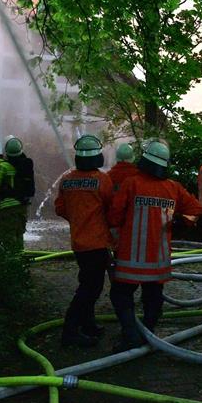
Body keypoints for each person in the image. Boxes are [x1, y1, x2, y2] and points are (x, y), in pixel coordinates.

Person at [108, 140, 202, 353]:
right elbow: (196, 209)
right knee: (153, 299)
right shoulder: (173, 188)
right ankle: (147, 332)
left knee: (120, 295)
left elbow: (114, 215)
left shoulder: (131, 184)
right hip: (157, 261)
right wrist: (180, 222)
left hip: (130, 258)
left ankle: (131, 334)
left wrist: (114, 238)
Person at [54, 134, 114, 347]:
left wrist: (78, 219)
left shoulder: (67, 180)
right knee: (91, 288)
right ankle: (70, 331)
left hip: (78, 243)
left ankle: (88, 324)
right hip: (97, 243)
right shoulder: (103, 180)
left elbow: (60, 208)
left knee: (87, 282)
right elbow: (112, 209)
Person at [0, 136, 31, 252]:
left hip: (7, 207)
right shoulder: (24, 165)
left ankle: (12, 261)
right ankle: (19, 257)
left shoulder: (3, 166)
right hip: (22, 206)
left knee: (8, 235)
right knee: (19, 233)